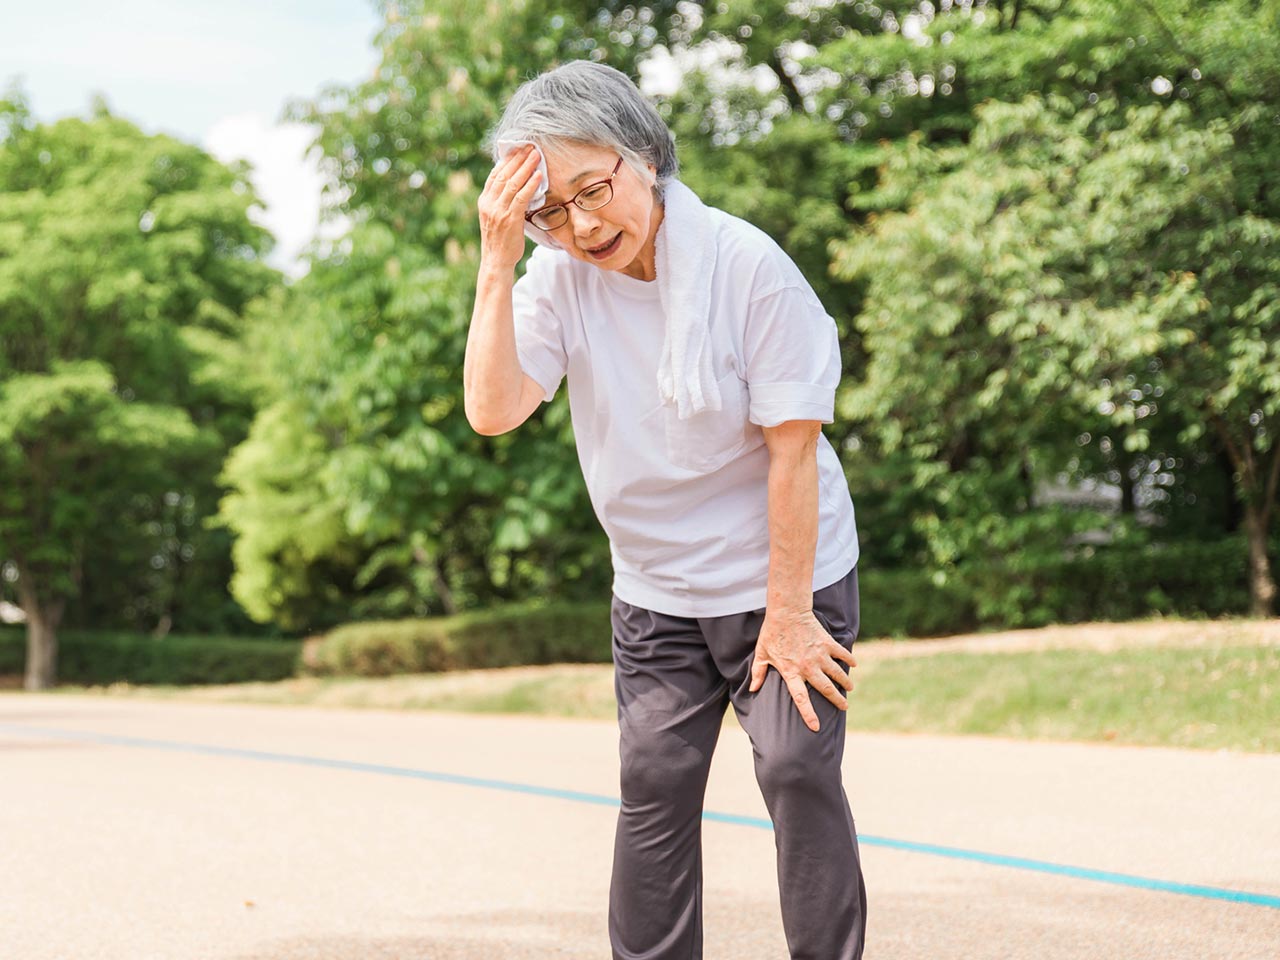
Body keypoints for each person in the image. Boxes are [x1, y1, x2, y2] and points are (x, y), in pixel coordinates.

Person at [465, 59, 867, 960]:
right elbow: (493, 410)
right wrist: (498, 260)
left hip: (783, 571)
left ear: (643, 156)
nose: (582, 224)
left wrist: (792, 614)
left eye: (593, 189)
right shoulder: (559, 280)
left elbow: (792, 448)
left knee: (798, 769)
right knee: (654, 780)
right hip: (656, 586)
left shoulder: (746, 264)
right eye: (550, 211)